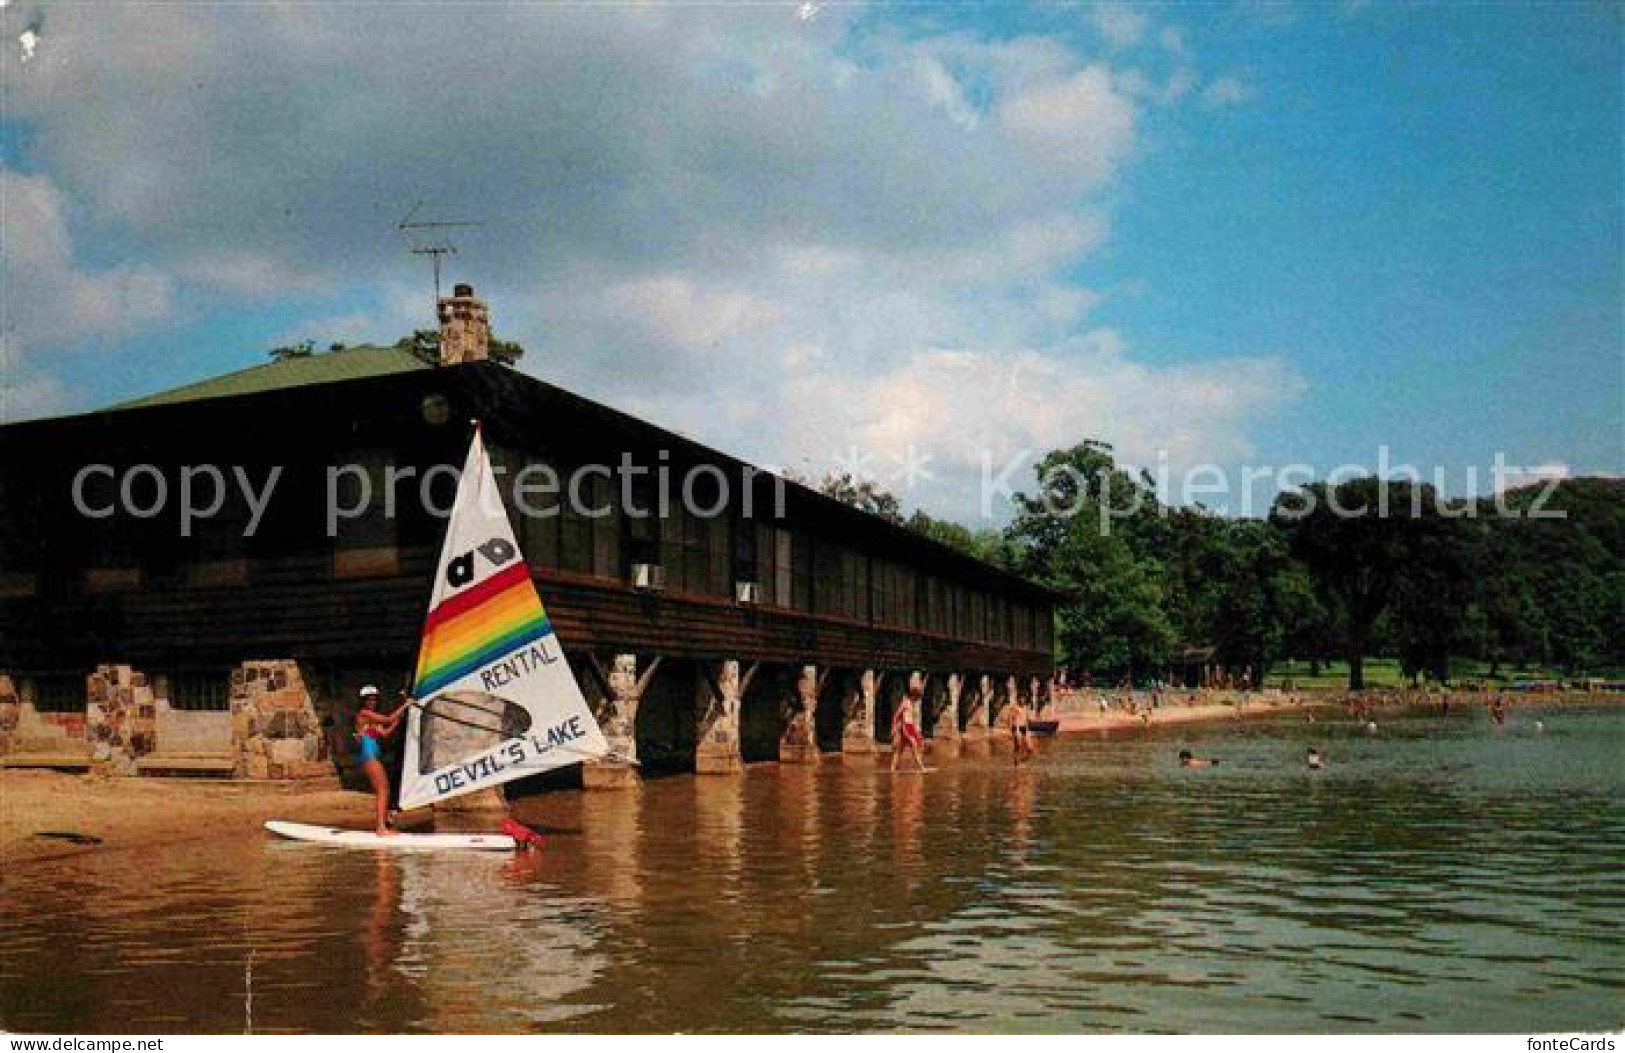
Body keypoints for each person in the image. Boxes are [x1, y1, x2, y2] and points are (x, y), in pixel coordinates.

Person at [355, 685, 408, 835]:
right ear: (363, 701)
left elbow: (384, 733)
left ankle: (383, 825)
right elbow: (388, 718)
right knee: (382, 789)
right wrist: (405, 704)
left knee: (385, 789)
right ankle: (380, 828)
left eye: (374, 699)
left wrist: (398, 721)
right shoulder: (363, 714)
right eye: (369, 699)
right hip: (368, 756)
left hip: (373, 756)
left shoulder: (372, 717)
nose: (372, 702)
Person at [890, 687, 928, 773]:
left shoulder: (911, 703)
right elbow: (897, 715)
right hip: (905, 727)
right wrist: (894, 727)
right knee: (914, 745)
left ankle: (892, 769)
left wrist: (916, 731)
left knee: (900, 749)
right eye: (917, 697)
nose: (918, 699)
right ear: (913, 695)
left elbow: (911, 718)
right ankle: (922, 768)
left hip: (911, 727)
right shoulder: (905, 702)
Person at [1008, 691, 1035, 766]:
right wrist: (1012, 731)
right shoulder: (1014, 707)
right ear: (1018, 699)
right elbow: (1010, 718)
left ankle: (1023, 761)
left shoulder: (1026, 707)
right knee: (1018, 745)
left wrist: (1029, 729)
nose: (1022, 700)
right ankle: (1016, 763)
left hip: (1024, 728)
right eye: (1021, 698)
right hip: (1017, 727)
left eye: (1023, 698)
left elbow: (1027, 719)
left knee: (1030, 748)